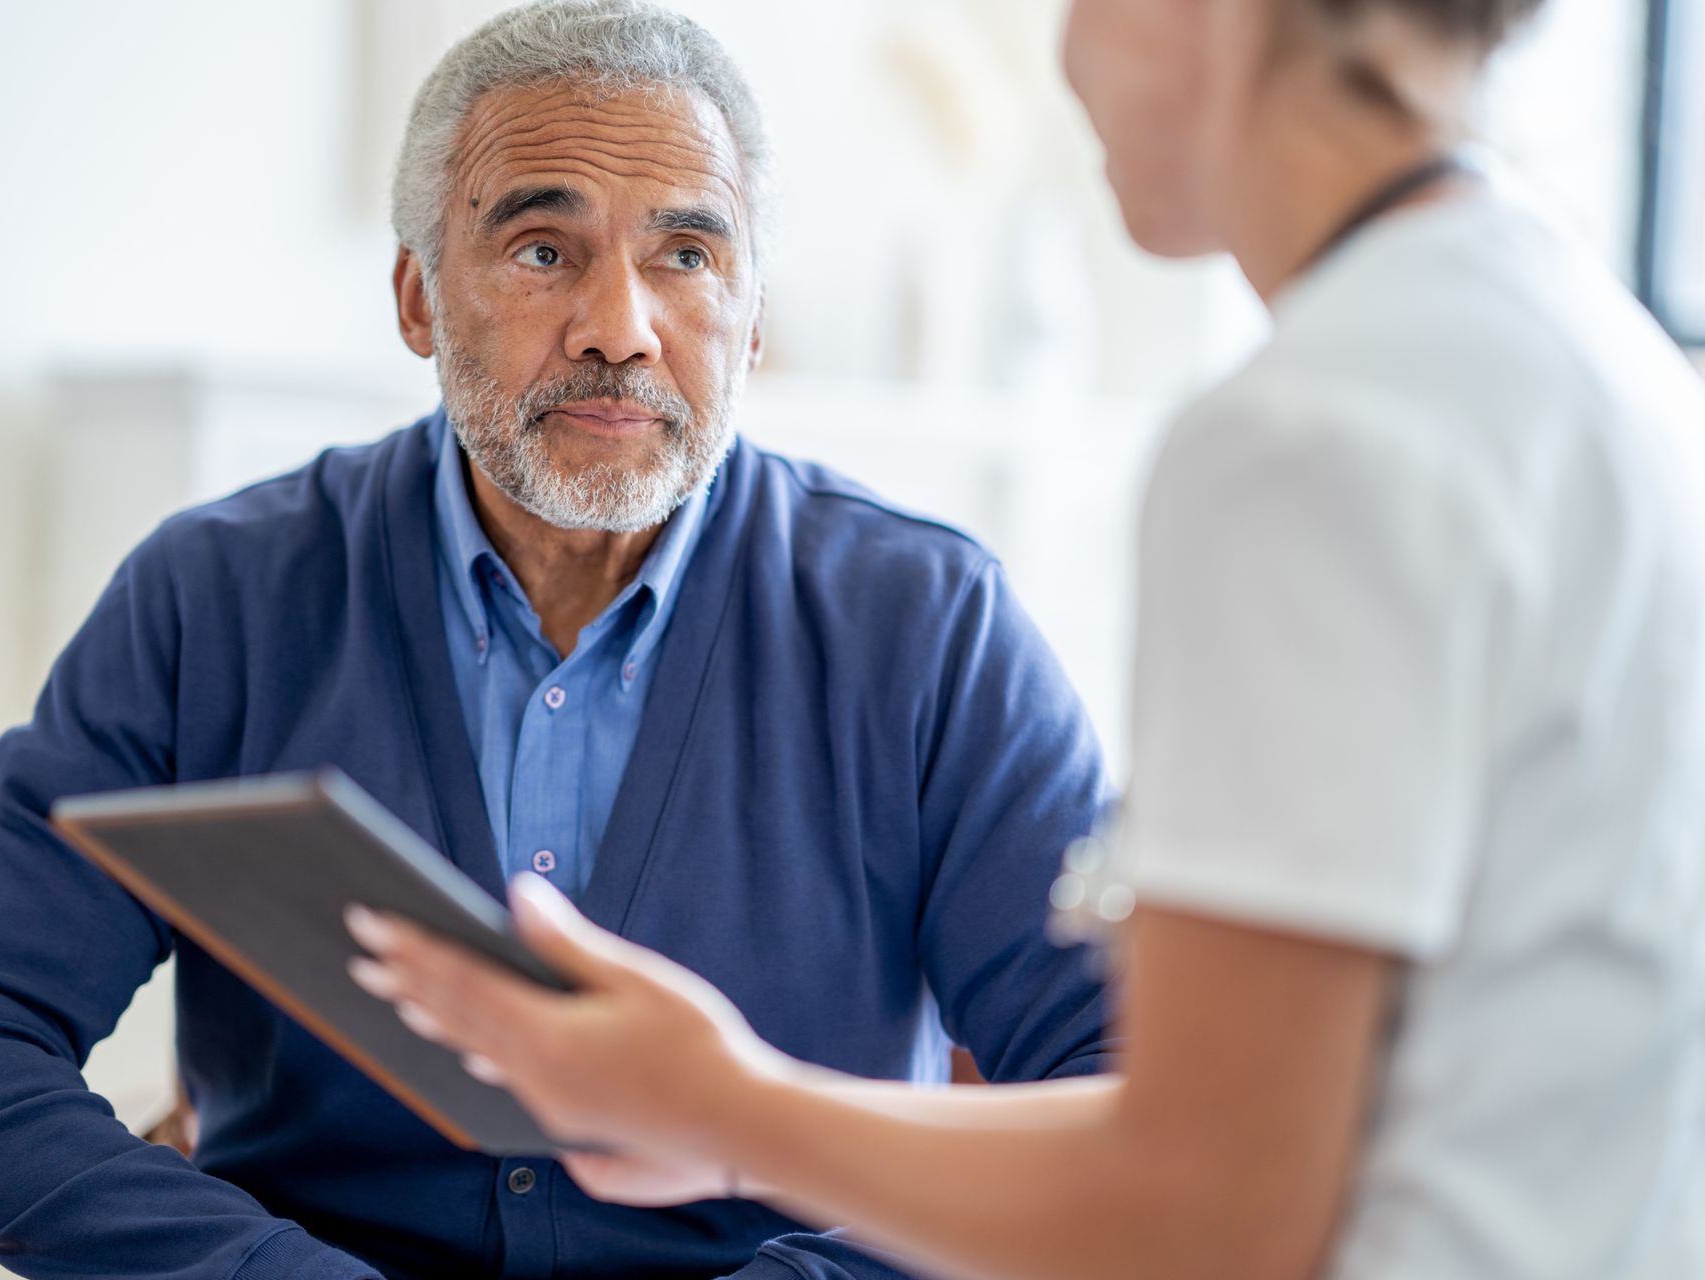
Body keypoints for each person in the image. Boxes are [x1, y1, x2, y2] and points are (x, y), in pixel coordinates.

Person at [343, 1, 1705, 1278]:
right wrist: (740, 1110)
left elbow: (1210, 1206)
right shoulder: (1591, 354)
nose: (1065, 65)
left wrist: (725, 1106)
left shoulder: (1312, 434)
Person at [0, 4, 1117, 1278]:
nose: (621, 328)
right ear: (417, 298)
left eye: (686, 255)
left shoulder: (930, 626)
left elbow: (1122, 1087)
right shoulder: (212, 602)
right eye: (545, 251)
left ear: (755, 315)